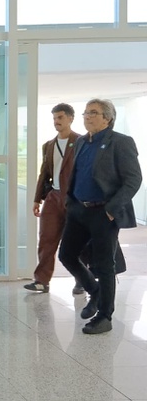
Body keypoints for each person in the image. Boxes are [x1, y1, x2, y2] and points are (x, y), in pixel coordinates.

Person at [59, 98, 141, 335]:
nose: (87, 116)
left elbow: (133, 180)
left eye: (93, 112)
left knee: (104, 265)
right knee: (66, 255)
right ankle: (95, 291)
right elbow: (77, 174)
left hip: (103, 212)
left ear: (108, 118)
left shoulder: (121, 142)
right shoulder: (82, 142)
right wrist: (70, 202)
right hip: (78, 209)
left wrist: (111, 209)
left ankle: (105, 316)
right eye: (85, 112)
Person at [23, 103, 80, 294]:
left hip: (74, 198)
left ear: (71, 118)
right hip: (53, 197)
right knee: (46, 239)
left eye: (60, 117)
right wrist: (37, 199)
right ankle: (41, 280)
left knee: (77, 241)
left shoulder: (81, 142)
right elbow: (44, 173)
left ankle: (82, 279)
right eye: (54, 118)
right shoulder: (49, 145)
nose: (56, 121)